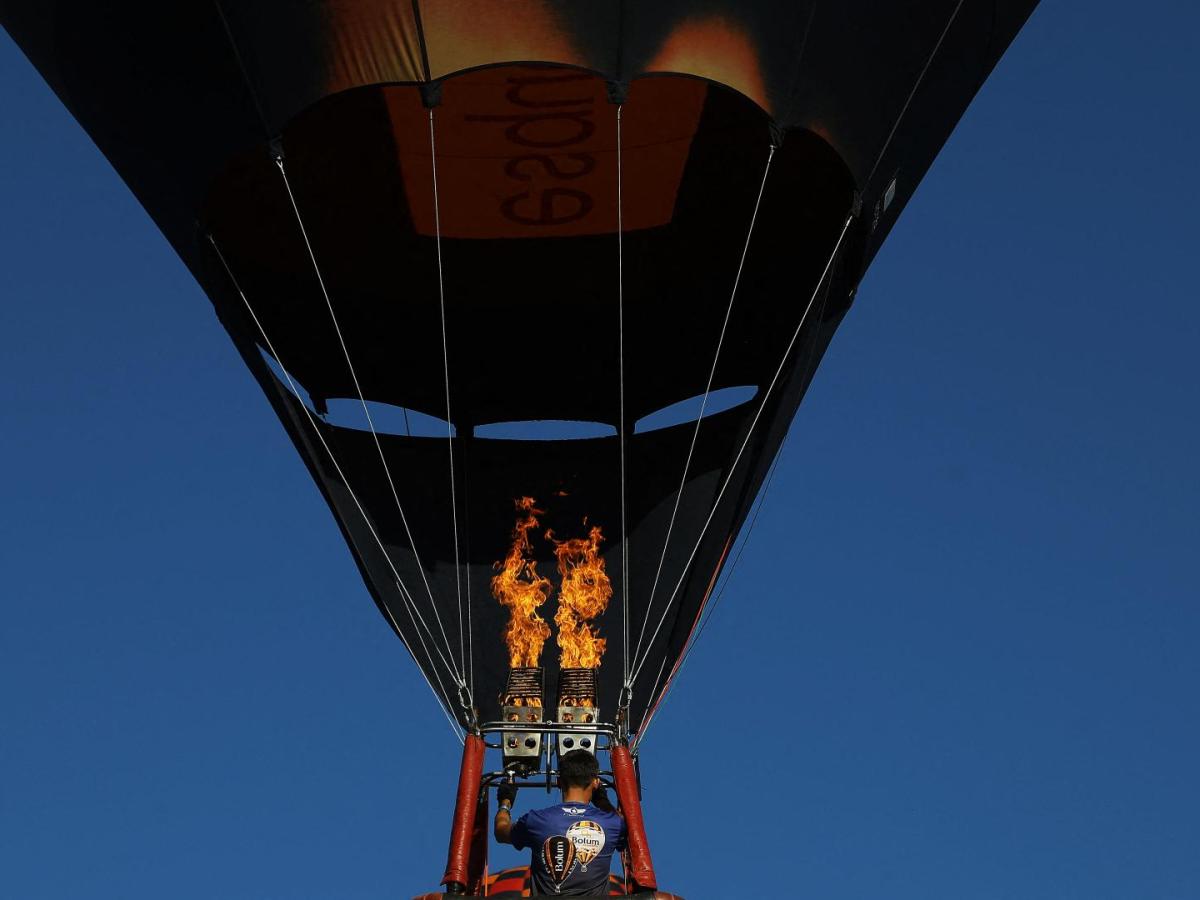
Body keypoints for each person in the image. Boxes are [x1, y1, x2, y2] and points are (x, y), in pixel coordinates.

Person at [495, 749, 627, 896]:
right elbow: (628, 827)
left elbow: (501, 831)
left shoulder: (536, 820)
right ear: (596, 782)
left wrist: (505, 801)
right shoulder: (613, 824)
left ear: (558, 781)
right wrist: (603, 802)